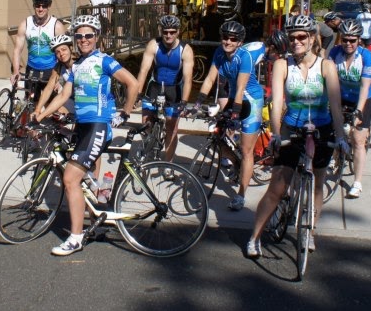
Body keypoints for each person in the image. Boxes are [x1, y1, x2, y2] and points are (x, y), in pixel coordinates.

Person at [33, 14, 138, 256]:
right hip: (83, 127)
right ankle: (98, 219)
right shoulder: (76, 66)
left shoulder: (104, 61)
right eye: (79, 36)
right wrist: (40, 114)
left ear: (97, 37)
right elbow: (62, 96)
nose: (83, 40)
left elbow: (132, 83)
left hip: (98, 126)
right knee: (88, 179)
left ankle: (76, 237)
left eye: (88, 35)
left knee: (70, 179)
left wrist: (125, 112)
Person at [245, 13, 347, 258]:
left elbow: (335, 105)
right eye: (292, 38)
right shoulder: (282, 64)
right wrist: (277, 134)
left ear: (312, 38)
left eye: (302, 36)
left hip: (321, 128)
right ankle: (254, 237)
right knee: (277, 188)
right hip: (292, 127)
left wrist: (341, 136)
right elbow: (277, 102)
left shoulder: (326, 66)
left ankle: (309, 231)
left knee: (318, 183)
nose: (296, 42)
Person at [196, 20, 264, 212]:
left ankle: (240, 194)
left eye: (233, 39)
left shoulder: (245, 57)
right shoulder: (219, 53)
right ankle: (235, 161)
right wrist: (198, 103)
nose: (228, 41)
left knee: (246, 148)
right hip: (235, 96)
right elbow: (210, 79)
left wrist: (235, 114)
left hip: (250, 99)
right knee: (217, 135)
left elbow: (242, 88)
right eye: (225, 37)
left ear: (240, 42)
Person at [328, 19, 371, 199]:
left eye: (353, 40)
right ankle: (335, 155)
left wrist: (359, 111)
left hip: (363, 97)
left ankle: (357, 182)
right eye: (345, 40)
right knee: (333, 128)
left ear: (359, 40)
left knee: (357, 139)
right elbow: (329, 79)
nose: (348, 44)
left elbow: (365, 87)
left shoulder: (366, 56)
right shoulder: (334, 53)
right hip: (342, 95)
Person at [134, 15, 194, 161]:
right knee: (146, 123)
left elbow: (187, 79)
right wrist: (138, 94)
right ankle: (147, 150)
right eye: (165, 32)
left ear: (178, 32)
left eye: (172, 32)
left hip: (174, 90)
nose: (168, 35)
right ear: (161, 31)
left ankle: (168, 163)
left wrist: (184, 102)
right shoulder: (153, 45)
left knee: (171, 129)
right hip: (155, 87)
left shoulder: (185, 50)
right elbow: (143, 71)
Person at [9, 0, 66, 102]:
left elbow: (64, 54)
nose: (40, 9)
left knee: (49, 106)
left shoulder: (57, 26)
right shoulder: (25, 24)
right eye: (37, 5)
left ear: (49, 6)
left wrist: (60, 78)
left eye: (44, 6)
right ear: (34, 6)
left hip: (51, 71)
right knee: (29, 104)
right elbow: (17, 50)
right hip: (31, 70)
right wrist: (16, 72)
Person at [34, 34, 76, 119]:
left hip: (84, 101)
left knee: (58, 112)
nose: (61, 54)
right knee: (54, 114)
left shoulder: (80, 64)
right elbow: (49, 88)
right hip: (69, 99)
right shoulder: (59, 66)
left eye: (64, 49)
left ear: (71, 48)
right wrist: (37, 110)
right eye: (57, 52)